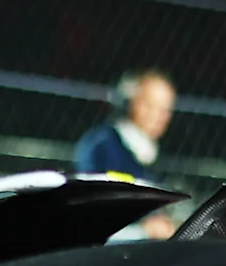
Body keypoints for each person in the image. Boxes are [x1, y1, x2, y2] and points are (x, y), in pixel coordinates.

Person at [72, 69, 180, 237]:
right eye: (149, 105)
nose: (158, 117)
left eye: (165, 110)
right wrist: (143, 231)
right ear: (130, 103)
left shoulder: (152, 156)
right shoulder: (102, 146)